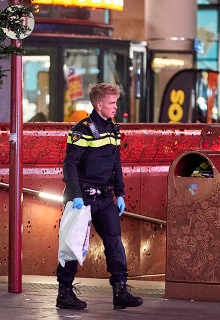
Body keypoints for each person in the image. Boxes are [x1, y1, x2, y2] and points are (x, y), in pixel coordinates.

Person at [56, 83, 143, 310]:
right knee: (73, 245)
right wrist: (74, 195)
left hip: (104, 199)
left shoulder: (113, 129)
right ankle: (64, 293)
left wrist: (120, 193)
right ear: (99, 104)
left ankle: (120, 290)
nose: (116, 107)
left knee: (114, 242)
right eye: (112, 103)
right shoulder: (82, 129)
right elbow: (70, 164)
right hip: (82, 198)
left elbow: (116, 163)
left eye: (116, 102)